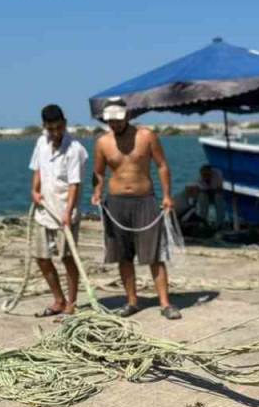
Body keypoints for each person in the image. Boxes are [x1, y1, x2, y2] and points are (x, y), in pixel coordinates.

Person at [91, 101, 182, 320]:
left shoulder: (147, 136)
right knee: (123, 256)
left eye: (118, 120)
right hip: (116, 202)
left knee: (154, 255)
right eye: (110, 121)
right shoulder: (103, 142)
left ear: (128, 116)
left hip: (145, 200)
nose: (115, 124)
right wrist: (97, 192)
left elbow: (162, 165)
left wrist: (167, 195)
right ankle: (132, 301)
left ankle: (165, 303)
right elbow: (99, 173)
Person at [28, 104, 88, 316]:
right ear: (44, 126)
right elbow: (38, 169)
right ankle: (58, 299)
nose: (55, 133)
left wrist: (68, 212)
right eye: (51, 129)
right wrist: (34, 191)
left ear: (65, 123)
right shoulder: (41, 142)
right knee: (41, 257)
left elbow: (75, 184)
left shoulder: (75, 149)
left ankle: (72, 302)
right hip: (44, 210)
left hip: (64, 211)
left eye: (59, 127)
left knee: (67, 258)